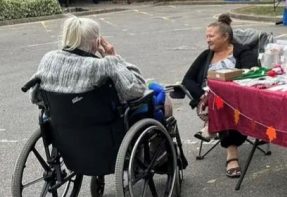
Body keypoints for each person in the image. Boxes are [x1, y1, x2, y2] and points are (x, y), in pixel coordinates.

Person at [29, 16, 170, 116]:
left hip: (65, 130)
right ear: (97, 42)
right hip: (105, 129)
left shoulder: (48, 59)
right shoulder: (104, 65)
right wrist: (114, 57)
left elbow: (35, 97)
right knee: (160, 95)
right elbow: (136, 89)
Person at [182, 14, 257, 178]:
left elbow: (251, 74)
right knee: (219, 102)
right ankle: (225, 144)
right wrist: (201, 96)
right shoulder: (206, 55)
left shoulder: (243, 52)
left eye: (211, 36)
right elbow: (187, 80)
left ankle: (217, 134)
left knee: (225, 103)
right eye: (206, 36)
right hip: (207, 102)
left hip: (238, 100)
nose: (208, 40)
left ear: (225, 37)